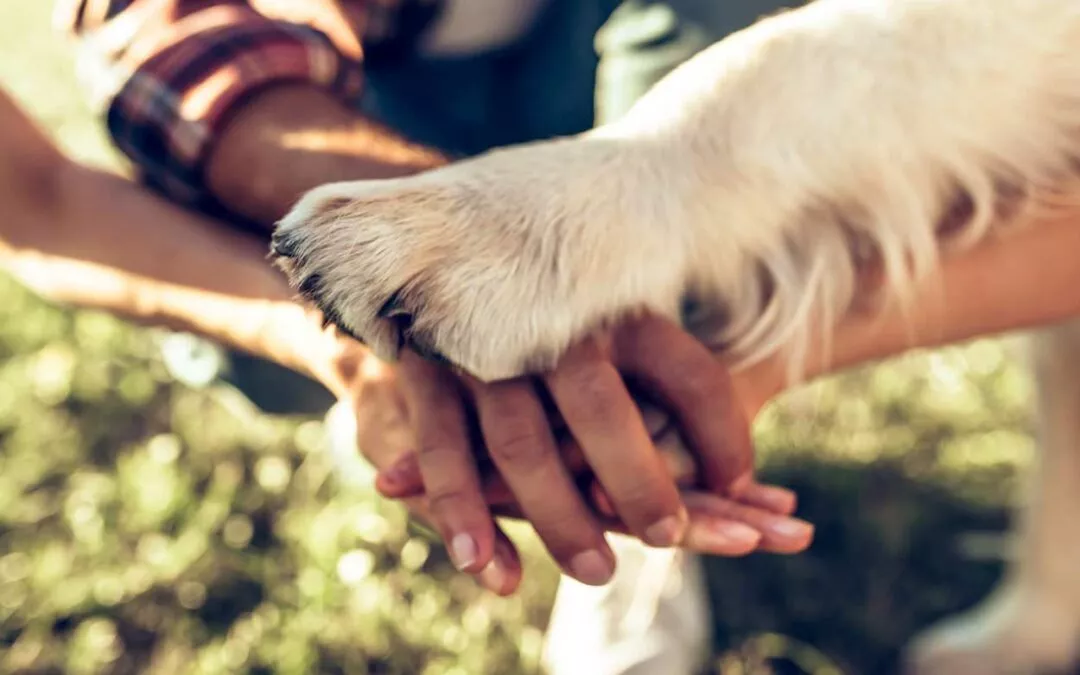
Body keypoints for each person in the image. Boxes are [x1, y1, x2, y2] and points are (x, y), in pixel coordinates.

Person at [15, 0, 1076, 671]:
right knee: (283, 238)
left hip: (663, 50)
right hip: (393, 87)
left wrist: (714, 335)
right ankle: (612, 488)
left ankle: (643, 488)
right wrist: (395, 305)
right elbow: (72, 156)